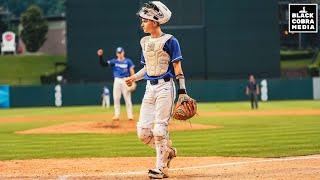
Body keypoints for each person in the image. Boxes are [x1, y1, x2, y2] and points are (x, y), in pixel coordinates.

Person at [125, 1, 191, 178]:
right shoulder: (145, 42)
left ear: (154, 22)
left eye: (145, 20)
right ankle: (167, 151)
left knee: (160, 130)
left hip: (165, 88)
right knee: (143, 132)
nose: (142, 23)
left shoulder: (171, 41)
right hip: (149, 88)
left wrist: (183, 91)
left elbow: (177, 67)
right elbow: (148, 67)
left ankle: (161, 168)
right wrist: (134, 77)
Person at [97, 47, 135, 121]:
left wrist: (133, 80)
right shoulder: (114, 61)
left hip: (126, 80)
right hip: (117, 80)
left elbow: (131, 70)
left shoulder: (128, 61)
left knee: (127, 99)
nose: (120, 54)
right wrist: (100, 56)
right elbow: (103, 64)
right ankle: (116, 115)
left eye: (121, 52)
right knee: (116, 98)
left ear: (123, 52)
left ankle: (130, 116)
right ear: (116, 54)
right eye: (118, 53)